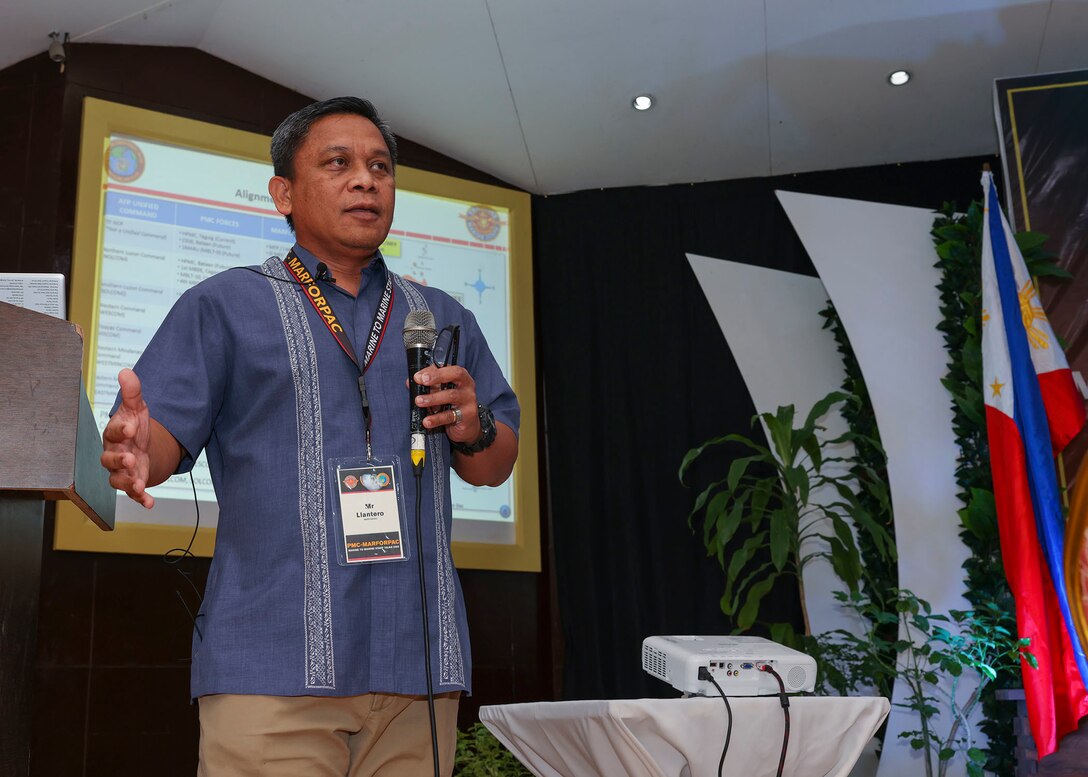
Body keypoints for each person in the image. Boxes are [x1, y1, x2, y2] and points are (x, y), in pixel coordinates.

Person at [100, 96, 520, 776]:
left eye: (380, 166)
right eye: (339, 163)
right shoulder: (225, 303)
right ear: (283, 193)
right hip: (271, 668)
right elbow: (160, 438)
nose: (366, 179)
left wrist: (474, 429)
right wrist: (135, 447)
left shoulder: (440, 317)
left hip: (418, 668)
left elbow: (495, 466)